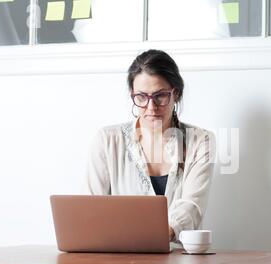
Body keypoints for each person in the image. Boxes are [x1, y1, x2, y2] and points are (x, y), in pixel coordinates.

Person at [83, 49, 215, 243]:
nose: (151, 108)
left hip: (178, 261)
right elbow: (90, 207)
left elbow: (192, 206)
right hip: (120, 256)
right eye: (142, 97)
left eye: (160, 96)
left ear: (175, 94)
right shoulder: (107, 139)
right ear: (133, 95)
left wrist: (160, 235)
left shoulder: (201, 141)